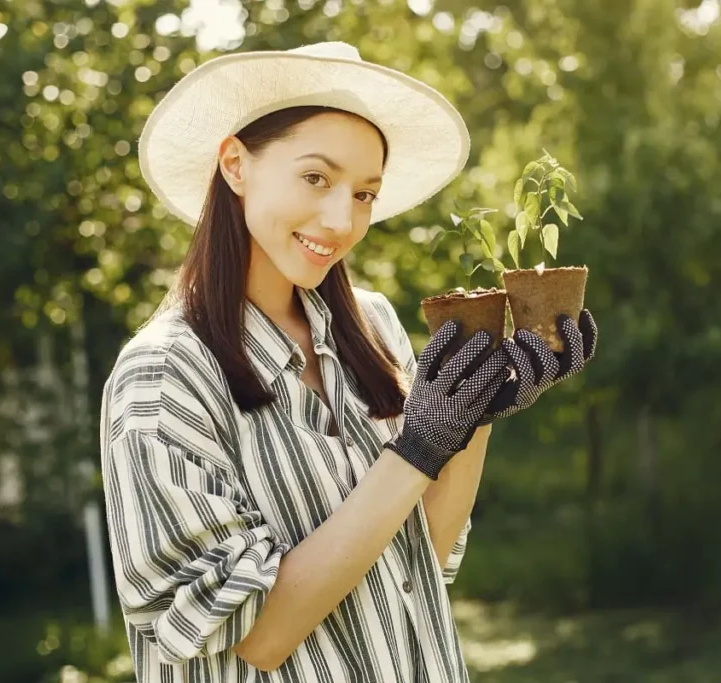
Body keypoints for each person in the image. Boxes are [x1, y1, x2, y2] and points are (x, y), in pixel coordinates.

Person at [98, 41, 598, 683]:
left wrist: (475, 415)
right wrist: (419, 447)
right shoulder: (164, 375)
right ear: (235, 165)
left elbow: (423, 556)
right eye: (315, 178)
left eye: (365, 194)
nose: (341, 219)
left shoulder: (373, 327)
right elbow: (259, 637)